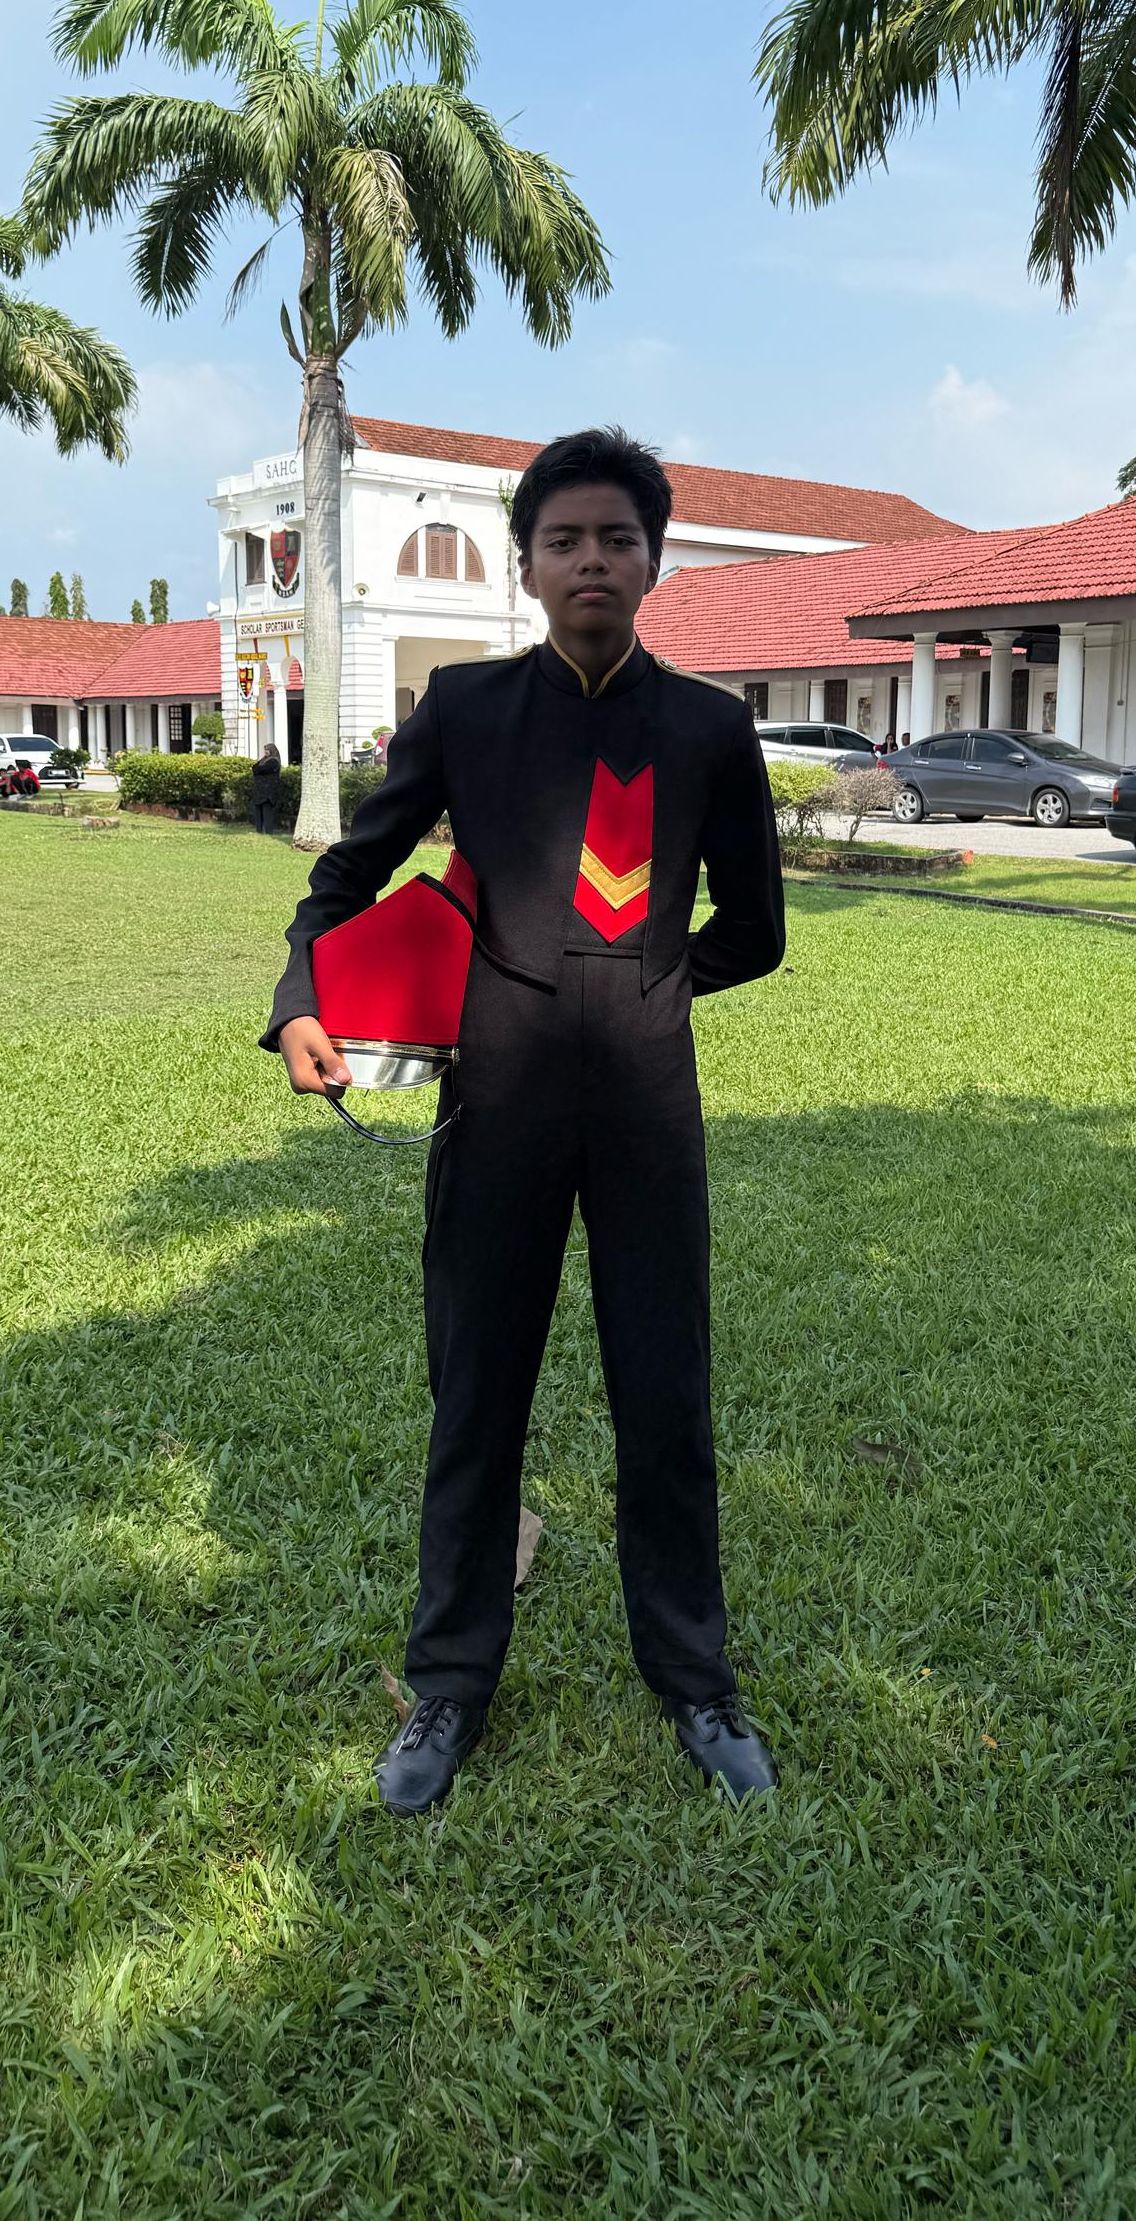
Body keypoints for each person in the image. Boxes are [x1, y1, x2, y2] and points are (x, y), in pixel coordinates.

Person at [267, 428, 786, 1817]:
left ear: (655, 561)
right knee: (477, 1394)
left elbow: (757, 930)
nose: (591, 560)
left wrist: (645, 982)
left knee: (664, 1396)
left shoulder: (711, 729)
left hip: (647, 1108)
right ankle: (448, 1683)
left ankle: (696, 1681)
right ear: (527, 566)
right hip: (494, 1101)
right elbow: (348, 874)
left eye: (618, 538)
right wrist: (299, 998)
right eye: (565, 540)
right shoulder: (467, 709)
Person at [248, 740, 284, 835]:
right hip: (259, 791)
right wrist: (257, 766)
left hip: (268, 792)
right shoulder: (264, 760)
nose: (265, 752)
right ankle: (259, 831)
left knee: (267, 812)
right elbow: (254, 768)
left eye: (267, 750)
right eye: (265, 750)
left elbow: (260, 769)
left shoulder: (273, 761)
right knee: (258, 811)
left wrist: (256, 769)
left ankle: (268, 831)